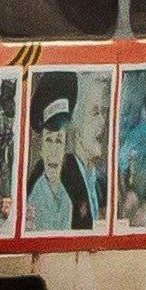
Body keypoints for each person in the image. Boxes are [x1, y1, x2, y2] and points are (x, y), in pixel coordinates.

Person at [25, 82, 97, 232]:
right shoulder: (33, 193)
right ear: (41, 150)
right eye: (48, 140)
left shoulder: (72, 189)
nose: (53, 151)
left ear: (65, 149)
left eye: (59, 141)